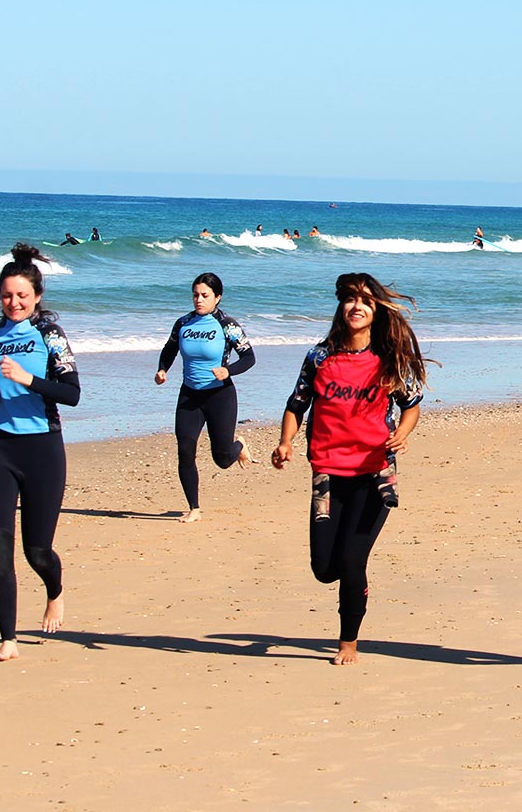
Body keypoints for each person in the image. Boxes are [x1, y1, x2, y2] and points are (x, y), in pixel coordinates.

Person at [271, 273, 427, 665]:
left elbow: (411, 405)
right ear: (341, 306)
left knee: (353, 561)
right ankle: (350, 582)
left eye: (365, 301)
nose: (356, 307)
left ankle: (348, 642)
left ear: (376, 311)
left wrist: (403, 434)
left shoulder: (389, 359)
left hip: (374, 475)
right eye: (350, 300)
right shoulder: (320, 356)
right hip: (326, 473)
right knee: (325, 568)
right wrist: (286, 441)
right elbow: (297, 404)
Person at [0, 242, 81, 662]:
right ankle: (8, 638)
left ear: (36, 296)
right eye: (6, 295)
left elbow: (71, 393)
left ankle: (55, 590)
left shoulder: (49, 335)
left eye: (21, 295)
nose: (13, 302)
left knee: (36, 550)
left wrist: (28, 378)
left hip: (42, 448)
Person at [155, 273, 255, 522]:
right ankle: (194, 508)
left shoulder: (227, 325)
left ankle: (239, 445)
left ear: (217, 298)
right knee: (185, 450)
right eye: (195, 295)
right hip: (189, 395)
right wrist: (162, 369)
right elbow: (170, 349)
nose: (198, 300)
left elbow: (249, 357)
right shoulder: (183, 324)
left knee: (221, 459)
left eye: (205, 295)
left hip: (220, 395)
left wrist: (228, 371)